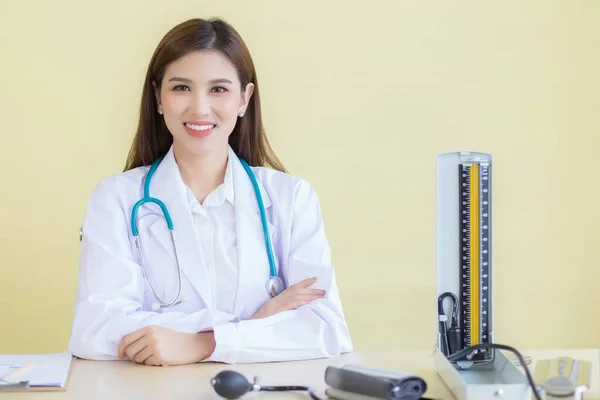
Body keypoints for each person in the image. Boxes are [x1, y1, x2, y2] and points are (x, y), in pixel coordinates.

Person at [68, 17, 353, 365]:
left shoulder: (292, 198)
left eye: (218, 89)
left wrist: (202, 344)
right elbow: (96, 330)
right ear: (158, 95)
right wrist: (257, 322)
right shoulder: (115, 199)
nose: (200, 108)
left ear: (244, 99)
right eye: (181, 88)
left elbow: (326, 328)